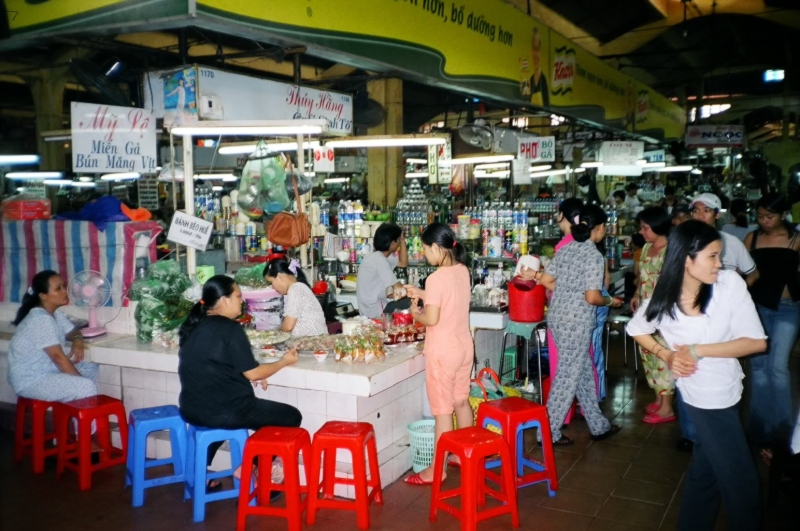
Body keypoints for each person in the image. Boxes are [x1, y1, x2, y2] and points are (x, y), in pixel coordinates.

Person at [627, 220, 766, 531]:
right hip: (703, 399)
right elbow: (635, 328)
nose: (720, 263)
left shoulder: (729, 283)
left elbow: (756, 342)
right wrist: (668, 355)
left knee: (706, 474)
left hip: (732, 389)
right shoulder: (665, 299)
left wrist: (697, 350)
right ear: (686, 260)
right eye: (712, 256)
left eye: (719, 255)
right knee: (743, 485)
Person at [178, 275, 302, 489]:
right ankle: (250, 467)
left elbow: (217, 366)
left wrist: (252, 374)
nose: (242, 301)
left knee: (216, 419)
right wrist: (283, 361)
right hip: (226, 411)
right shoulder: (230, 329)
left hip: (191, 408)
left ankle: (201, 476)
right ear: (224, 300)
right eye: (238, 296)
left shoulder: (194, 326)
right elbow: (253, 374)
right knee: (290, 416)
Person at [521, 205, 624, 445]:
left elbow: (546, 280)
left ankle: (599, 426)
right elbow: (592, 298)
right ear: (598, 228)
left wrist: (569, 291)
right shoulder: (594, 255)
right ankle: (547, 432)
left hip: (558, 317)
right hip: (577, 321)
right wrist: (612, 301)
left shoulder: (566, 250)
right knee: (567, 376)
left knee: (582, 371)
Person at [402, 223, 473, 485]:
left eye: (424, 249)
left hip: (443, 351)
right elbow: (450, 298)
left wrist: (415, 313)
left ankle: (437, 469)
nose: (423, 254)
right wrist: (423, 294)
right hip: (464, 346)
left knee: (442, 411)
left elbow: (431, 318)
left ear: (436, 247)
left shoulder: (435, 278)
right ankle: (462, 454)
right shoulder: (462, 270)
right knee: (461, 402)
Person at [743, 193, 800, 445]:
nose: (764, 220)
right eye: (760, 216)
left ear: (783, 214)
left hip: (788, 307)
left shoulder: (796, 239)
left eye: (770, 216)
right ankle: (759, 426)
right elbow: (741, 271)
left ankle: (783, 429)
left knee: (777, 368)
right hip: (756, 308)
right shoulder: (751, 238)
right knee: (758, 369)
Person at [8, 270, 99, 403]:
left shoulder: (55, 314)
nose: (64, 291)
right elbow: (58, 357)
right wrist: (80, 382)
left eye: (63, 286)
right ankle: (88, 420)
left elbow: (73, 331)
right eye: (58, 289)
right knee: (86, 386)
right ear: (43, 295)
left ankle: (75, 414)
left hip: (49, 371)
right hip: (31, 380)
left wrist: (78, 340)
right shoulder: (40, 319)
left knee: (89, 364)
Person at [630, 207, 675, 424]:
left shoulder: (671, 250)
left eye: (645, 228)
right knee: (649, 354)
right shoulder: (648, 248)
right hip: (645, 308)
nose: (642, 232)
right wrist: (636, 295)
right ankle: (659, 399)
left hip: (662, 310)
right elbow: (643, 277)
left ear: (658, 227)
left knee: (663, 355)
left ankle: (667, 408)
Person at [690, 193, 759, 286]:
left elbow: (754, 274)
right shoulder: (685, 241)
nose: (700, 216)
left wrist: (738, 292)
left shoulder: (732, 243)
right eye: (696, 211)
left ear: (718, 214)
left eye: (706, 211)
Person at [264, 258, 328, 337]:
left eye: (271, 282)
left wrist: (273, 336)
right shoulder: (297, 288)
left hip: (313, 344)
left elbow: (288, 327)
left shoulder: (296, 289)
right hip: (309, 343)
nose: (273, 287)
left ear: (279, 277)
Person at [356, 223, 408, 318]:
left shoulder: (376, 256)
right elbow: (399, 288)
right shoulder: (380, 259)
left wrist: (402, 241)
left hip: (371, 307)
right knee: (412, 301)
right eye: (398, 241)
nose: (399, 243)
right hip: (375, 311)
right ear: (392, 244)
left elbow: (403, 263)